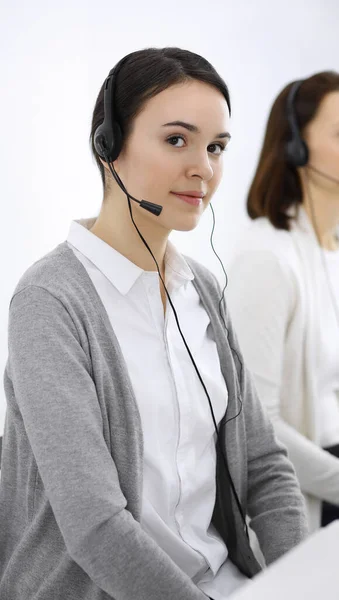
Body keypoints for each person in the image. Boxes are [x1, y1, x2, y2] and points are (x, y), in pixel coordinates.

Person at [0, 48, 307, 600]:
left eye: (215, 147)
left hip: (224, 583)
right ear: (108, 146)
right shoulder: (50, 300)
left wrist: (301, 582)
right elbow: (94, 525)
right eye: (176, 140)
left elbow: (265, 466)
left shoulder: (203, 291)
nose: (204, 169)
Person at [226, 71, 339, 535]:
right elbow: (259, 425)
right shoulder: (267, 258)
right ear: (296, 147)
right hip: (312, 492)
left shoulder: (328, 250)